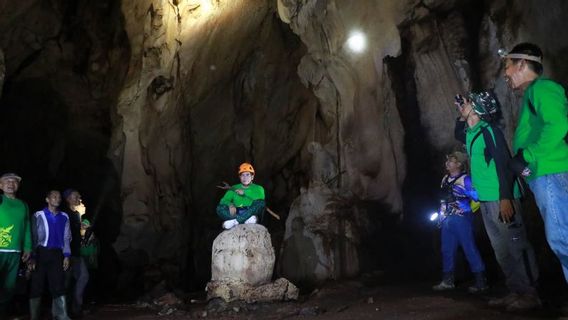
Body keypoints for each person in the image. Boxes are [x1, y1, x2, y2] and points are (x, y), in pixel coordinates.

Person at [454, 92, 540, 311]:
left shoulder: (490, 132)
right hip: (485, 200)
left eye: (469, 103)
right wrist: (461, 114)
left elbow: (504, 164)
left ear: (478, 108)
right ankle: (516, 290)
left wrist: (505, 198)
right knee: (501, 249)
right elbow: (458, 134)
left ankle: (530, 294)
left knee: (516, 245)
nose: (465, 106)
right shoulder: (472, 133)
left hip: (500, 198)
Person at [501, 43, 568, 284]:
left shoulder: (543, 88)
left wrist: (526, 155)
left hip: (552, 173)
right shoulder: (533, 93)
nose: (505, 73)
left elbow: (558, 125)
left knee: (563, 239)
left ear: (521, 64)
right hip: (546, 175)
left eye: (507, 65)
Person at [432, 151, 487, 293]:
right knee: (447, 250)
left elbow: (477, 198)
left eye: (451, 161)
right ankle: (447, 281)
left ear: (459, 164)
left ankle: (481, 282)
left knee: (469, 248)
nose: (447, 163)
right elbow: (443, 200)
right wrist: (440, 216)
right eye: (447, 161)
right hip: (446, 220)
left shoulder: (466, 180)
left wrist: (467, 210)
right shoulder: (445, 179)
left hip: (461, 220)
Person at [29, 190, 71, 320]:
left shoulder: (64, 216)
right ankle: (34, 316)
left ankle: (61, 315)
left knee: (58, 284)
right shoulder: (38, 215)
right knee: (37, 285)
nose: (57, 198)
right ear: (47, 199)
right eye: (54, 196)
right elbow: (33, 237)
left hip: (57, 254)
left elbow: (66, 237)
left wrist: (67, 255)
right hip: (41, 253)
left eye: (59, 197)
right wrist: (32, 257)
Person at [0, 173, 32, 318]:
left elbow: (26, 227)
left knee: (9, 286)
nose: (10, 183)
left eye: (14, 181)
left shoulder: (23, 205)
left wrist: (27, 247)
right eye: (7, 181)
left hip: (15, 251)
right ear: (1, 185)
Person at [63, 189, 89, 317]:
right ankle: (65, 311)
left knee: (83, 277)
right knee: (66, 283)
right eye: (75, 196)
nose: (79, 197)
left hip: (77, 253)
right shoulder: (64, 214)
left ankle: (76, 308)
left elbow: (79, 234)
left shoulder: (77, 214)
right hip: (66, 253)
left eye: (79, 195)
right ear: (68, 199)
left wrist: (83, 229)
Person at [216, 163, 266, 230]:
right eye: (242, 175)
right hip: (237, 212)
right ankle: (244, 220)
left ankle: (236, 221)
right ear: (240, 177)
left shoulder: (258, 188)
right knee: (219, 208)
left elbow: (260, 197)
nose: (245, 178)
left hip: (250, 212)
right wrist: (230, 204)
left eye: (248, 175)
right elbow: (223, 200)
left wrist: (244, 193)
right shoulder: (234, 187)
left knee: (261, 203)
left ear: (252, 177)